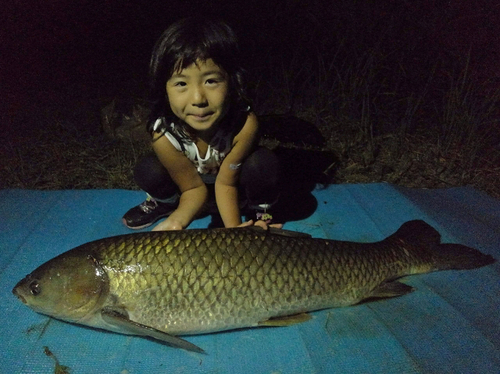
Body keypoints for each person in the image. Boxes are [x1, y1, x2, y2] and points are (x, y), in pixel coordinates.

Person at [122, 17, 280, 231]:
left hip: (232, 184)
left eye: (211, 81)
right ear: (164, 89)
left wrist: (234, 231)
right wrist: (177, 221)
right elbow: (193, 189)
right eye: (181, 83)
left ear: (233, 82)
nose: (198, 99)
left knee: (262, 164)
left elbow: (226, 183)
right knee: (148, 170)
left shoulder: (245, 125)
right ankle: (166, 204)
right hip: (190, 186)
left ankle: (260, 208)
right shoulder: (162, 134)